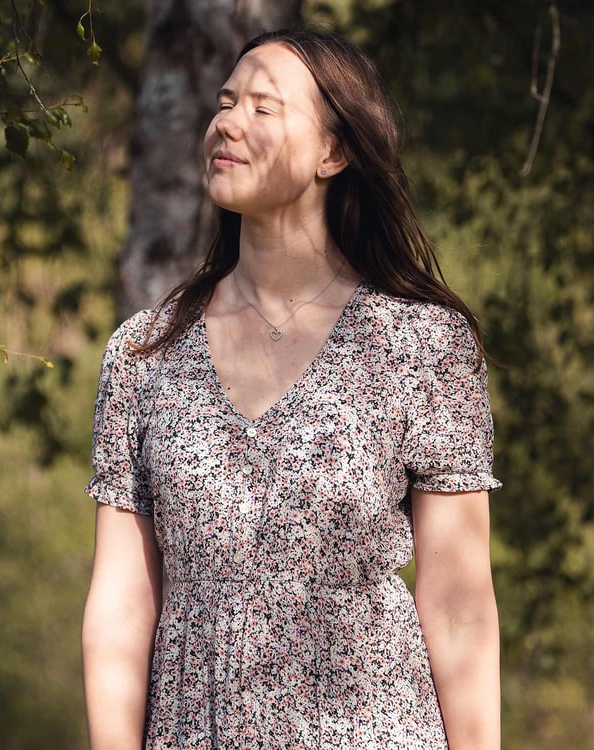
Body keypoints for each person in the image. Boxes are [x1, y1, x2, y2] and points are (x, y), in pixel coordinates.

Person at [82, 28, 501, 750]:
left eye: (262, 107)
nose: (227, 123)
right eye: (225, 103)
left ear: (333, 153)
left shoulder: (422, 345)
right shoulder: (144, 354)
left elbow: (459, 608)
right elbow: (120, 609)